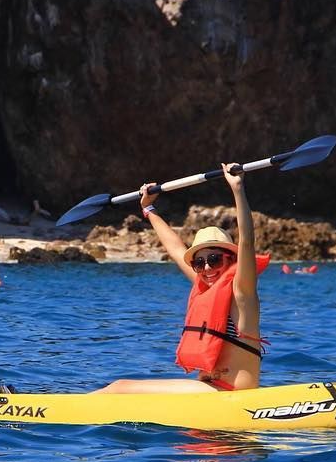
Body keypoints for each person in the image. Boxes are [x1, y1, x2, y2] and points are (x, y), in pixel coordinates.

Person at [95, 163, 269, 393]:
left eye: (215, 259)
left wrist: (238, 189)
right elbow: (177, 250)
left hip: (229, 393)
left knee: (119, 387)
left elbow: (247, 242)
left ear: (231, 260)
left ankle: (60, 411)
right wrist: (149, 209)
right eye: (199, 262)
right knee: (120, 388)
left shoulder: (241, 290)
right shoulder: (205, 282)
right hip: (207, 390)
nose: (206, 267)